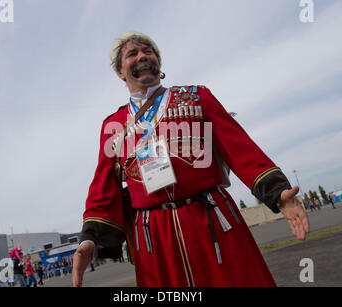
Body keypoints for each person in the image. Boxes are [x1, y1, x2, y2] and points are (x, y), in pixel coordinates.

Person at [73, 31, 310, 287]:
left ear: (158, 62)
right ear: (120, 71)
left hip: (212, 221)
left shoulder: (197, 97)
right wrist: (89, 239)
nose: (142, 56)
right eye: (132, 54)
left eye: (148, 51)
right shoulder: (113, 126)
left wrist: (277, 192)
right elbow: (102, 189)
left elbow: (241, 148)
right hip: (155, 240)